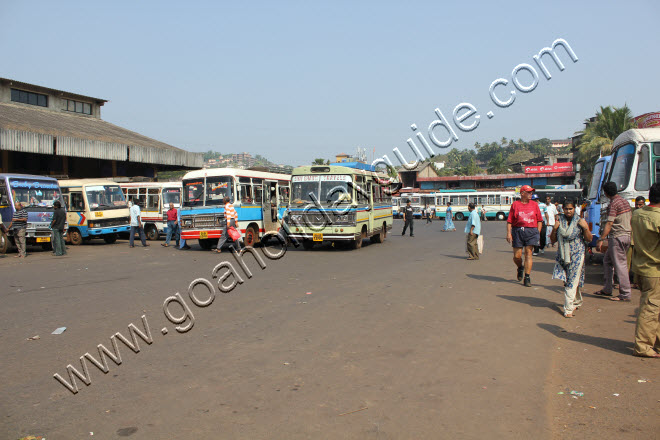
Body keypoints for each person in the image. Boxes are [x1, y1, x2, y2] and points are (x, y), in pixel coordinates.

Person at [630, 183, 660, 358]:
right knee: (650, 308)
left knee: (654, 307)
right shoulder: (657, 218)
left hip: (641, 266)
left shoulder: (638, 214)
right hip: (654, 269)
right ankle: (643, 346)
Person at [550, 199, 593, 318]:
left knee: (572, 281)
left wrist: (585, 228)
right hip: (563, 255)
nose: (568, 211)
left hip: (577, 254)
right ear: (562, 209)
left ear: (575, 209)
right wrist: (554, 229)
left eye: (571, 209)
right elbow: (552, 240)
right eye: (566, 209)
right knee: (570, 280)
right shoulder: (559, 222)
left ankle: (568, 309)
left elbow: (589, 239)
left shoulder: (580, 221)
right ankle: (577, 301)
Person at [593, 182, 632, 301]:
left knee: (620, 265)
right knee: (607, 261)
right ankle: (607, 288)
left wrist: (601, 239)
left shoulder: (613, 204)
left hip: (617, 236)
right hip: (626, 236)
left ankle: (625, 294)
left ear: (605, 192)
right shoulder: (624, 201)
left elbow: (609, 223)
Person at [506, 185, 543, 287]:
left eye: (531, 192)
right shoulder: (515, 205)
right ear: (522, 193)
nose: (531, 194)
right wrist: (509, 233)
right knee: (517, 256)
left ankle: (527, 277)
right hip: (517, 231)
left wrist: (537, 233)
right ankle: (520, 267)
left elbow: (539, 220)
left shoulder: (534, 205)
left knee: (528, 253)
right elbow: (509, 221)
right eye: (529, 192)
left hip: (531, 231)